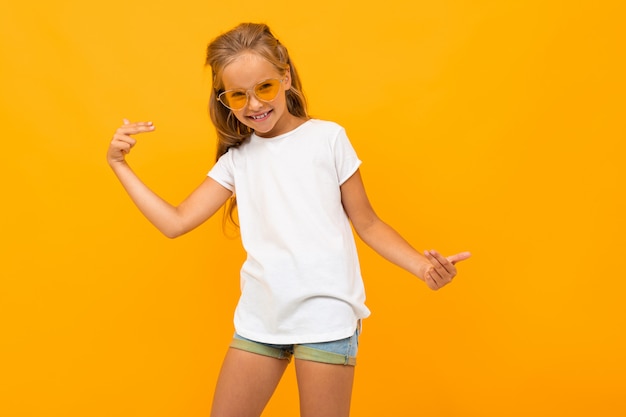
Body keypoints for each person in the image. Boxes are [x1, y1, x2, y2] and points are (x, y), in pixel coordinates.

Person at [107, 22, 470, 417]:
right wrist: (119, 164)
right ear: (223, 99)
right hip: (261, 320)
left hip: (325, 319)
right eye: (237, 95)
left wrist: (421, 265)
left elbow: (367, 223)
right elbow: (175, 222)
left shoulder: (328, 139)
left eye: (264, 88)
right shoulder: (238, 160)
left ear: (286, 77)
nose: (254, 106)